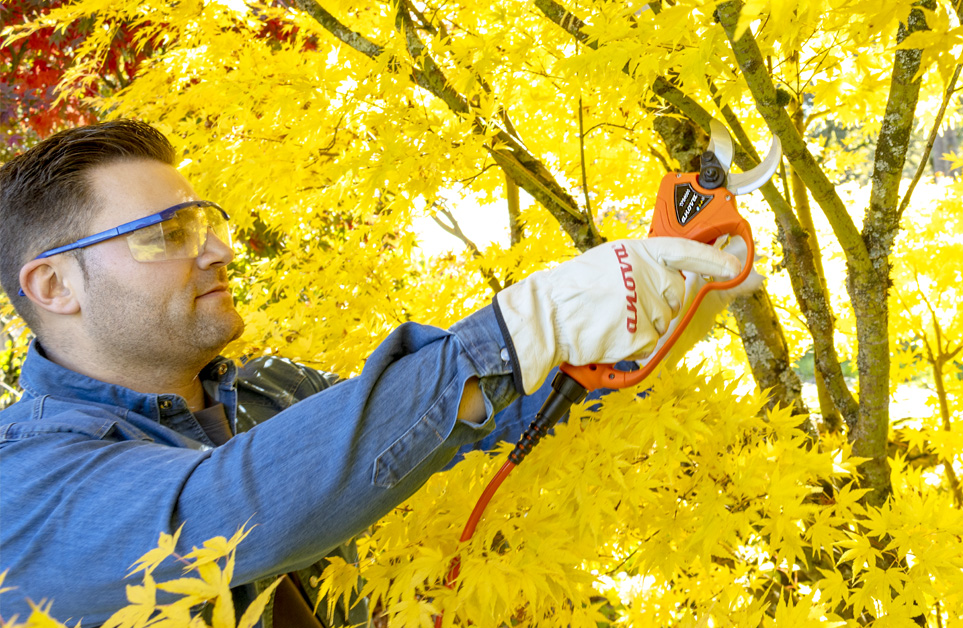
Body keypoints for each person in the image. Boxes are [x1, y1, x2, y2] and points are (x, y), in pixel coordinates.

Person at [0, 120, 744, 626]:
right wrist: (522, 328)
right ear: (54, 287)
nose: (220, 251)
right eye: (167, 235)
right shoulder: (23, 480)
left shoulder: (273, 394)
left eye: (206, 223)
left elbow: (483, 414)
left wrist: (662, 312)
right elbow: (218, 511)